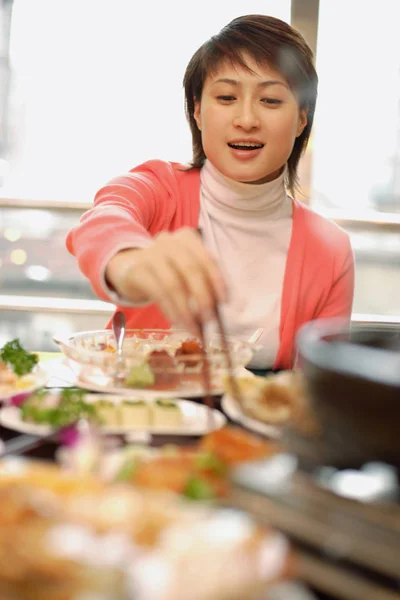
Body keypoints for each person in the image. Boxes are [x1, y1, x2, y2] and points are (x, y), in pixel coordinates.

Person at [66, 14, 354, 372]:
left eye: (271, 100)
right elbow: (105, 216)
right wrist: (131, 261)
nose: (246, 118)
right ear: (198, 110)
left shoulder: (331, 250)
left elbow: (317, 390)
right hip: (138, 416)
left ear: (301, 119)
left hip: (255, 426)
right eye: (227, 96)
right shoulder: (161, 187)